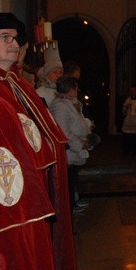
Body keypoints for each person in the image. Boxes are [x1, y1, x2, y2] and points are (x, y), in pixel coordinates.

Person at [0, 9, 80, 270]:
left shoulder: (15, 82)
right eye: (4, 38)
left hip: (36, 195)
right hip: (13, 204)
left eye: (16, 39)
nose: (14, 44)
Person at [50, 76, 93, 213]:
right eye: (75, 87)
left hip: (74, 151)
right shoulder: (60, 105)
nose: (78, 90)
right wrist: (80, 144)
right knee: (67, 184)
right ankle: (68, 210)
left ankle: (72, 205)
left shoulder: (69, 103)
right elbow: (64, 132)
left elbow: (76, 123)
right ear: (69, 89)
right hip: (68, 152)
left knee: (72, 182)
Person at [121, 84, 136, 156]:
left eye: (134, 90)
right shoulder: (128, 99)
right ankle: (127, 150)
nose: (133, 92)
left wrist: (133, 106)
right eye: (131, 90)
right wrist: (126, 107)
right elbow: (124, 108)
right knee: (127, 136)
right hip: (129, 119)